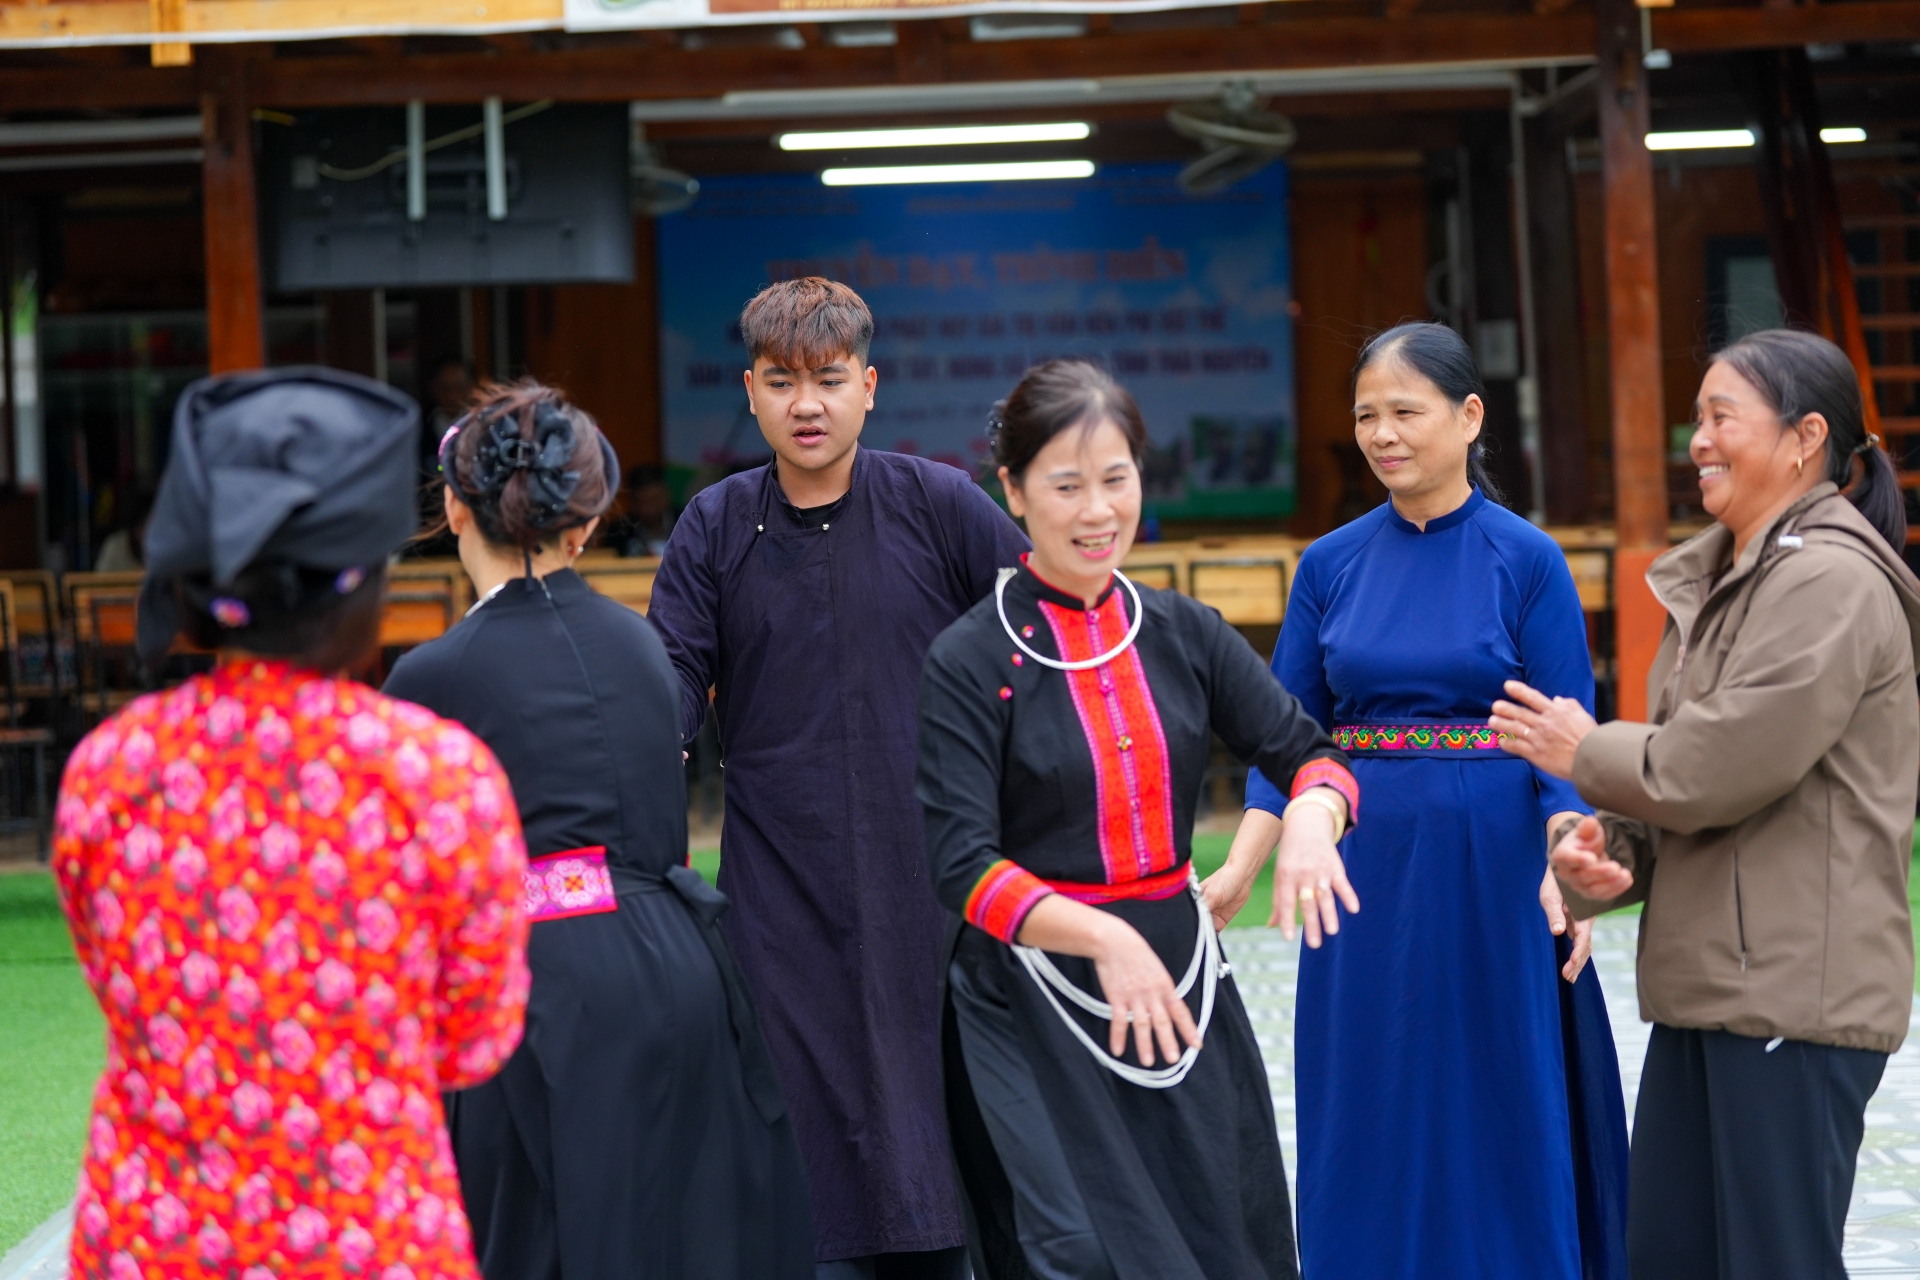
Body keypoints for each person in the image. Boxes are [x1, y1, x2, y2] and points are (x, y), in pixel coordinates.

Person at [53, 367, 530, 1280]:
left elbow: (117, 982)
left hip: (155, 1242)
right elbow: (477, 1039)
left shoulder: (109, 772)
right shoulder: (440, 778)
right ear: (367, 593)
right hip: (374, 1240)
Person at [916, 359, 1357, 1280]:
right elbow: (959, 866)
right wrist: (1103, 941)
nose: (1096, 510)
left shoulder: (1184, 632)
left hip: (1184, 979)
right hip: (1029, 992)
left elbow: (1311, 754)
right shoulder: (968, 658)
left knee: (1225, 1237)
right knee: (1073, 1250)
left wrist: (1314, 820)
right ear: (1014, 491)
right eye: (1066, 485)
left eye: (1115, 479)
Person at [1495, 328, 1920, 1280]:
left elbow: (1721, 764)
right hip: (1715, 990)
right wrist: (1607, 861)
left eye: (1722, 415)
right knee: (1676, 1257)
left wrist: (1581, 749)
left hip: (1795, 995)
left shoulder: (1831, 583)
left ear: (1806, 437)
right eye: (1698, 417)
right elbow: (1698, 785)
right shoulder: (1734, 574)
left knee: (1774, 1263)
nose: (1699, 439)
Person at [1221, 322, 1630, 1279]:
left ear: (1469, 416)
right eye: (1366, 415)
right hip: (1359, 871)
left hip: (1495, 865)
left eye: (1405, 411)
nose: (1382, 434)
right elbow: (1286, 736)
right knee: (1369, 1083)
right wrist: (1241, 865)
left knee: (1496, 1084)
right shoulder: (1327, 565)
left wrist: (1567, 863)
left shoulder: (1526, 560)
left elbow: (1569, 744)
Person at [383, 379, 814, 1280]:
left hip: (535, 980)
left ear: (455, 508)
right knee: (679, 1241)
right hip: (681, 964)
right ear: (583, 521)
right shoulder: (643, 648)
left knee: (534, 1242)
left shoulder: (432, 677)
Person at [647, 277, 1030, 1277]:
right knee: (801, 1133)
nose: (804, 403)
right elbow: (675, 676)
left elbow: (1033, 639)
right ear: (750, 390)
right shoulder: (715, 525)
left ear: (870, 385)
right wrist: (649, 747)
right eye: (781, 382)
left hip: (937, 872)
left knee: (943, 1117)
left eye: (826, 380)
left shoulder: (941, 503)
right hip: (780, 879)